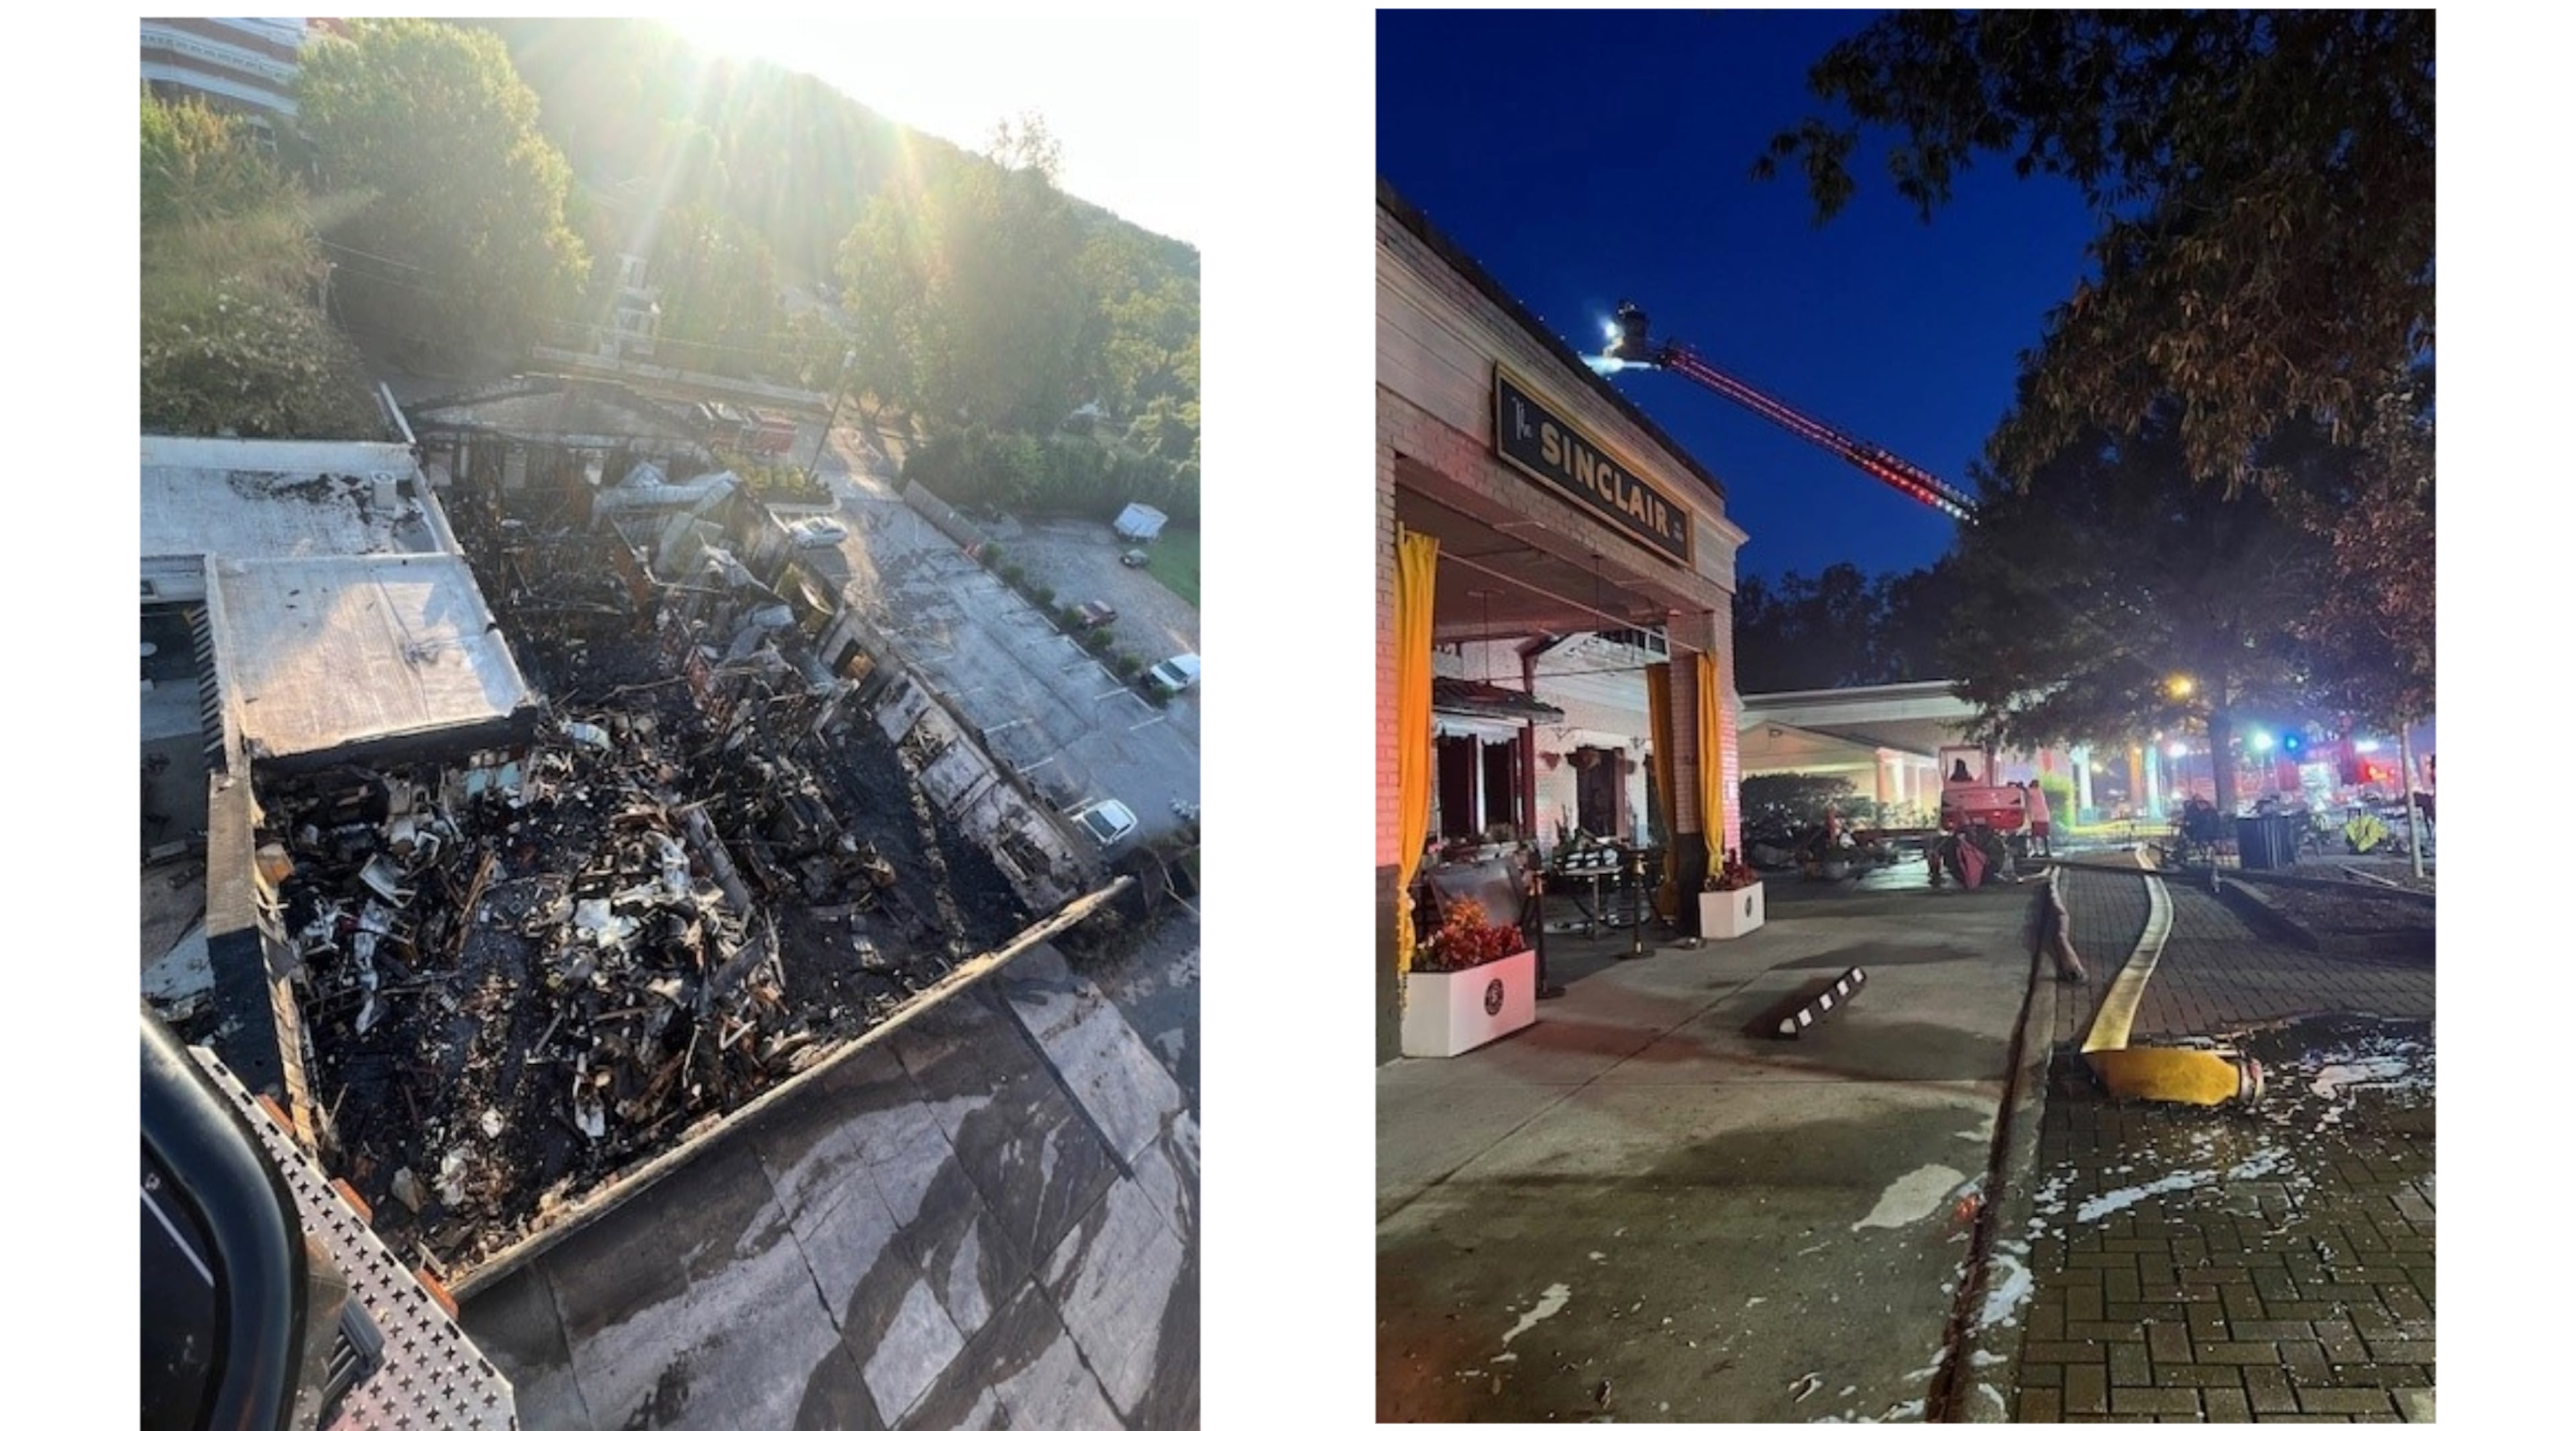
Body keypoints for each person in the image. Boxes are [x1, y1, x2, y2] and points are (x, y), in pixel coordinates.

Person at [2025, 780, 2054, 858]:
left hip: (2038, 817)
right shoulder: (2040, 791)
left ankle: (2036, 851)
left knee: (2034, 836)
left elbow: (2026, 791)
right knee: (2044, 836)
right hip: (2043, 817)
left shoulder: (2035, 791)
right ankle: (2047, 851)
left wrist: (2018, 785)